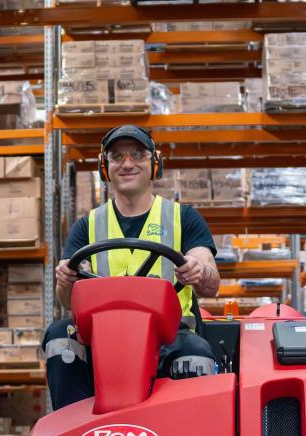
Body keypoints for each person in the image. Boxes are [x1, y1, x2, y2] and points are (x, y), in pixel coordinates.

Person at [44, 125, 221, 410]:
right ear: (105, 168)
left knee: (195, 351)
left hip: (169, 337)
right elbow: (66, 300)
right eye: (117, 157)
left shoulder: (183, 218)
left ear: (154, 163)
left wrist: (199, 271)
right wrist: (65, 281)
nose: (127, 163)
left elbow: (212, 282)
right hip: (102, 339)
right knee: (59, 336)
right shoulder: (87, 226)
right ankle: (74, 434)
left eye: (137, 154)